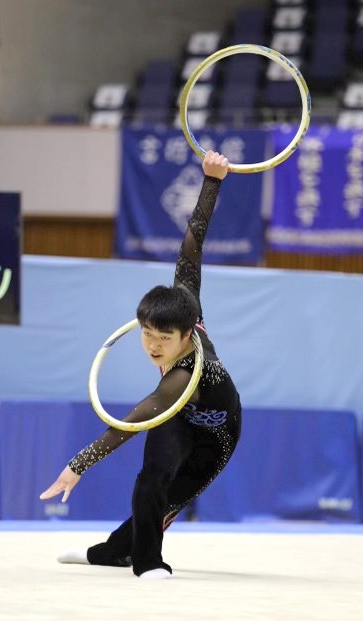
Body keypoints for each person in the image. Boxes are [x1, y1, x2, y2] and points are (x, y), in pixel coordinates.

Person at [40, 150, 242, 579]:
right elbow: (191, 246)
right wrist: (212, 181)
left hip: (217, 432)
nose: (152, 345)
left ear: (189, 334)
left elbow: (128, 423)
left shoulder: (184, 374)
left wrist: (77, 466)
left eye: (163, 339)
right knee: (152, 476)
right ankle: (142, 558)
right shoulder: (185, 305)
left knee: (170, 498)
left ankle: (119, 554)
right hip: (176, 416)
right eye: (147, 333)